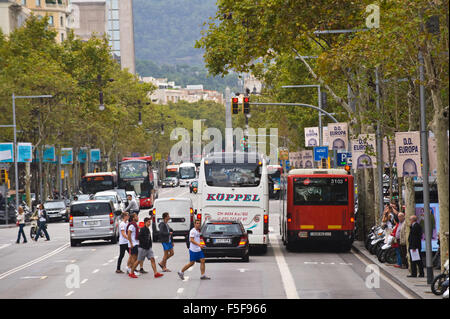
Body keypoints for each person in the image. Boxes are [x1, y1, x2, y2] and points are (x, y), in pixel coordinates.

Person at [127, 213, 140, 278]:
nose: (137, 217)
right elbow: (129, 234)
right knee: (134, 258)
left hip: (136, 243)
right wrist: (131, 243)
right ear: (133, 218)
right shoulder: (132, 225)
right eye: (136, 216)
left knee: (135, 257)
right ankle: (132, 270)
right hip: (133, 244)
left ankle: (131, 269)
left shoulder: (135, 225)